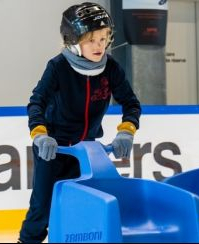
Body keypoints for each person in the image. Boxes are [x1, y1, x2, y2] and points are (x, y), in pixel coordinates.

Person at [18, 2, 141, 242]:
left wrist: (127, 130)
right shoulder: (58, 67)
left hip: (86, 150)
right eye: (91, 40)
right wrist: (41, 134)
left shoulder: (111, 69)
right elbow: (36, 102)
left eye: (104, 39)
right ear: (73, 41)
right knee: (42, 208)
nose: (99, 46)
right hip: (53, 149)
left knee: (86, 205)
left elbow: (131, 103)